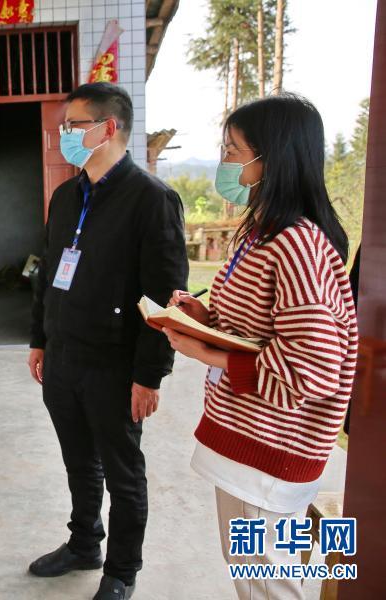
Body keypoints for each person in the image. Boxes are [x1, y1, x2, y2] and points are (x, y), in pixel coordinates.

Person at [163, 94, 358, 600]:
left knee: (266, 581)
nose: (224, 162)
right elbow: (259, 329)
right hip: (249, 438)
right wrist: (205, 319)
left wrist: (208, 354)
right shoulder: (261, 234)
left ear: (272, 159)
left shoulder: (296, 244)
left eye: (233, 150)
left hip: (269, 450)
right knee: (257, 574)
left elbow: (311, 369)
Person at [28, 82, 188, 599]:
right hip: (63, 357)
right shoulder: (66, 196)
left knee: (122, 473)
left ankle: (122, 571)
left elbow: (164, 298)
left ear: (108, 128)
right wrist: (39, 338)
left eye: (74, 126)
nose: (64, 135)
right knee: (79, 462)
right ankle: (83, 544)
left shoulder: (151, 200)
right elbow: (48, 271)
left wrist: (149, 375)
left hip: (114, 364)